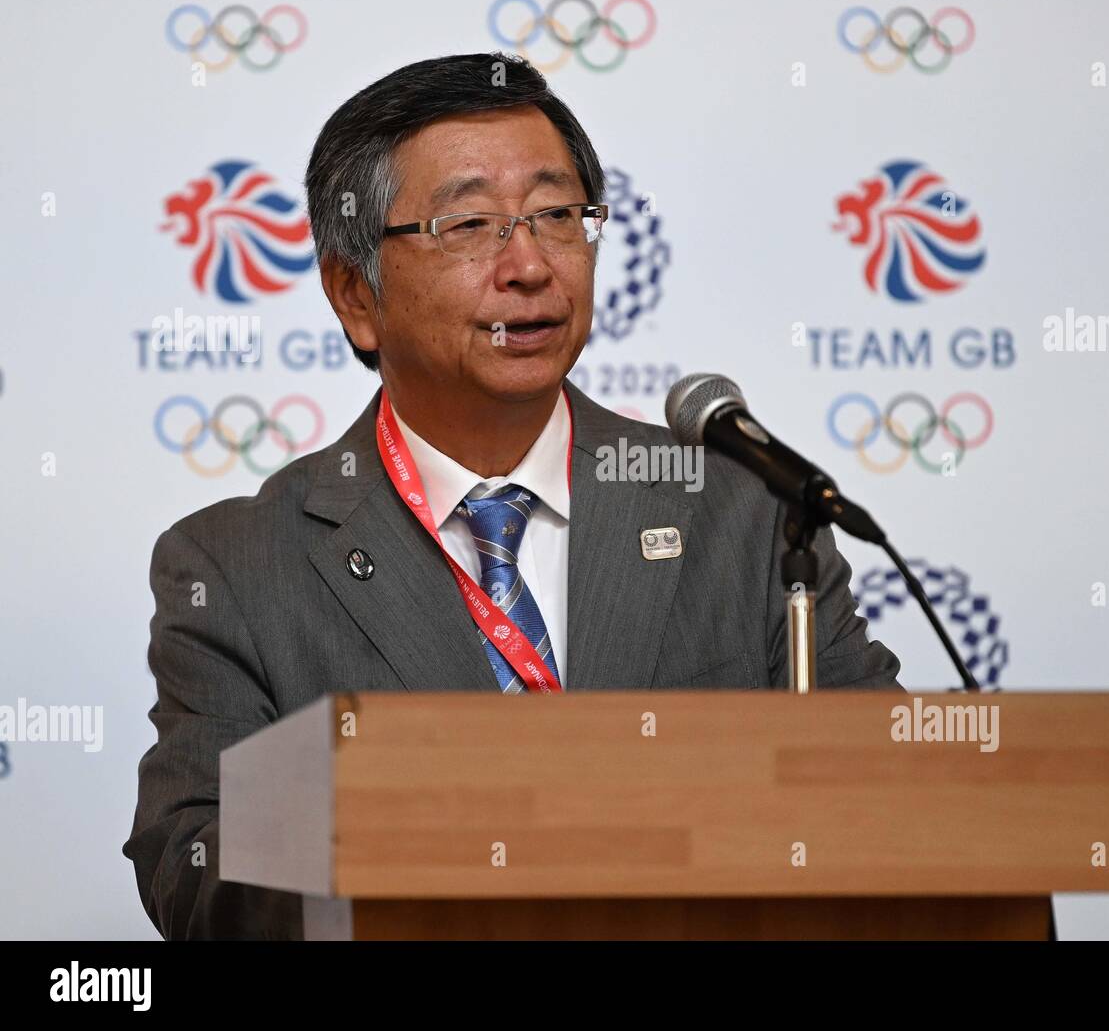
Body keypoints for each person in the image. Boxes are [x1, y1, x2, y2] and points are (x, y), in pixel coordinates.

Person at [123, 52, 902, 941]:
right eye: (470, 225)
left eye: (557, 215)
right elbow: (193, 864)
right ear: (354, 295)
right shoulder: (236, 567)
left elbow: (892, 796)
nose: (529, 264)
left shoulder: (744, 514)